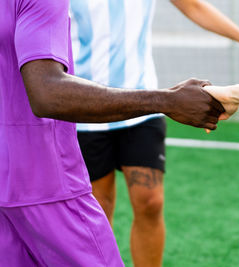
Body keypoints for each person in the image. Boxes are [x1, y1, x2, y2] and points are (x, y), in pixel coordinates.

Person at [0, 0, 224, 266]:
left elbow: (193, 6)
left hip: (132, 111)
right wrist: (168, 100)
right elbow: (46, 93)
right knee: (101, 203)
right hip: (55, 154)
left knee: (149, 201)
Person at [70, 0, 239, 266]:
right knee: (97, 209)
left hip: (144, 104)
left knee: (150, 202)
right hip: (86, 111)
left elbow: (193, 6)